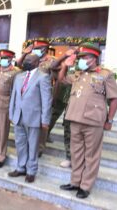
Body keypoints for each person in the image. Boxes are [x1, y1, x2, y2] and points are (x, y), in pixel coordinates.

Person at [58, 42, 117, 199]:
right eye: (80, 57)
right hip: (75, 119)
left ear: (94, 58)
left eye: (85, 57)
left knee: (91, 155)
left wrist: (110, 120)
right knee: (76, 153)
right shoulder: (78, 74)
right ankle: (75, 182)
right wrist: (65, 65)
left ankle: (86, 186)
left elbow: (114, 99)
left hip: (93, 122)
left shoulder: (105, 74)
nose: (81, 60)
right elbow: (61, 79)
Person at [8, 54, 52, 183]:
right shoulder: (19, 76)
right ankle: (21, 167)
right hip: (18, 116)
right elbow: (14, 96)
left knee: (33, 145)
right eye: (25, 60)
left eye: (29, 60)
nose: (25, 62)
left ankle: (31, 171)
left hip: (34, 117)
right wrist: (11, 114)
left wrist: (45, 120)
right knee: (20, 143)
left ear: (37, 62)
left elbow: (46, 100)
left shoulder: (43, 77)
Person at [17, 39, 57, 157]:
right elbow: (19, 64)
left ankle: (39, 148)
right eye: (35, 48)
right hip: (30, 95)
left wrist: (54, 95)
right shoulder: (31, 59)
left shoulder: (51, 60)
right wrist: (25, 53)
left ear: (45, 49)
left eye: (38, 48)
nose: (36, 50)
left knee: (41, 123)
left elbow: (56, 76)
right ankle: (30, 146)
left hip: (42, 95)